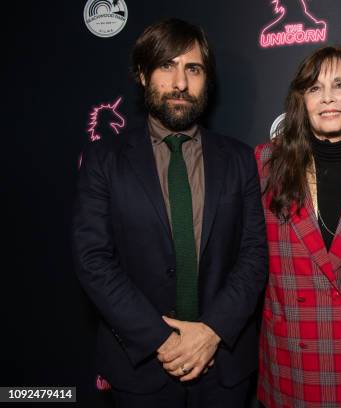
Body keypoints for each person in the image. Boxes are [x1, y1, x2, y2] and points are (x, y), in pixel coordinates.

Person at [72, 18, 267, 407]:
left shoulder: (241, 160)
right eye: (167, 66)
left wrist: (212, 332)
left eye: (192, 69)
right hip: (139, 368)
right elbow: (93, 259)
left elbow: (254, 255)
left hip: (224, 368)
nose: (180, 83)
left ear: (206, 80)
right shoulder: (104, 160)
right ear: (143, 76)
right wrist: (162, 340)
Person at [255, 46, 341, 407]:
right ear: (301, 100)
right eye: (314, 88)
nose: (328, 98)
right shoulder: (264, 165)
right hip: (293, 360)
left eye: (340, 85)